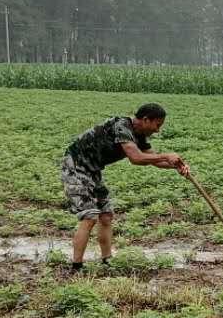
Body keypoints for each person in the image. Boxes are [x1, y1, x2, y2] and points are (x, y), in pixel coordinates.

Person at [61, 104, 188, 271]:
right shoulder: (121, 126)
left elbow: (152, 159)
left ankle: (107, 260)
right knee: (90, 217)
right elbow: (136, 158)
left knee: (106, 215)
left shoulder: (139, 135)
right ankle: (76, 267)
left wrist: (176, 166)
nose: (157, 130)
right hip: (75, 166)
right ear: (145, 120)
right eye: (157, 125)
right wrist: (166, 155)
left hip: (93, 170)